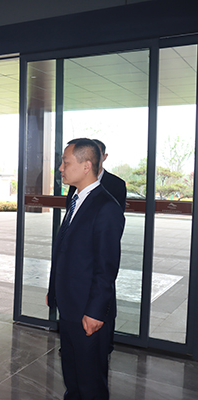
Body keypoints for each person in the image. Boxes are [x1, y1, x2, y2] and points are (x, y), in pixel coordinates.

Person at [47, 138, 125, 399]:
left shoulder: (106, 207)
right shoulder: (77, 198)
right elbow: (65, 252)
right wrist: (53, 290)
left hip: (88, 312)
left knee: (91, 383)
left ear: (86, 166)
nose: (61, 168)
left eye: (65, 162)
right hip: (70, 306)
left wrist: (95, 312)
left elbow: (106, 268)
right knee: (73, 377)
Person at [66, 139, 127, 212]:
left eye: (97, 154)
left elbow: (115, 213)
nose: (92, 158)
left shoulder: (117, 184)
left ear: (105, 157)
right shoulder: (77, 180)